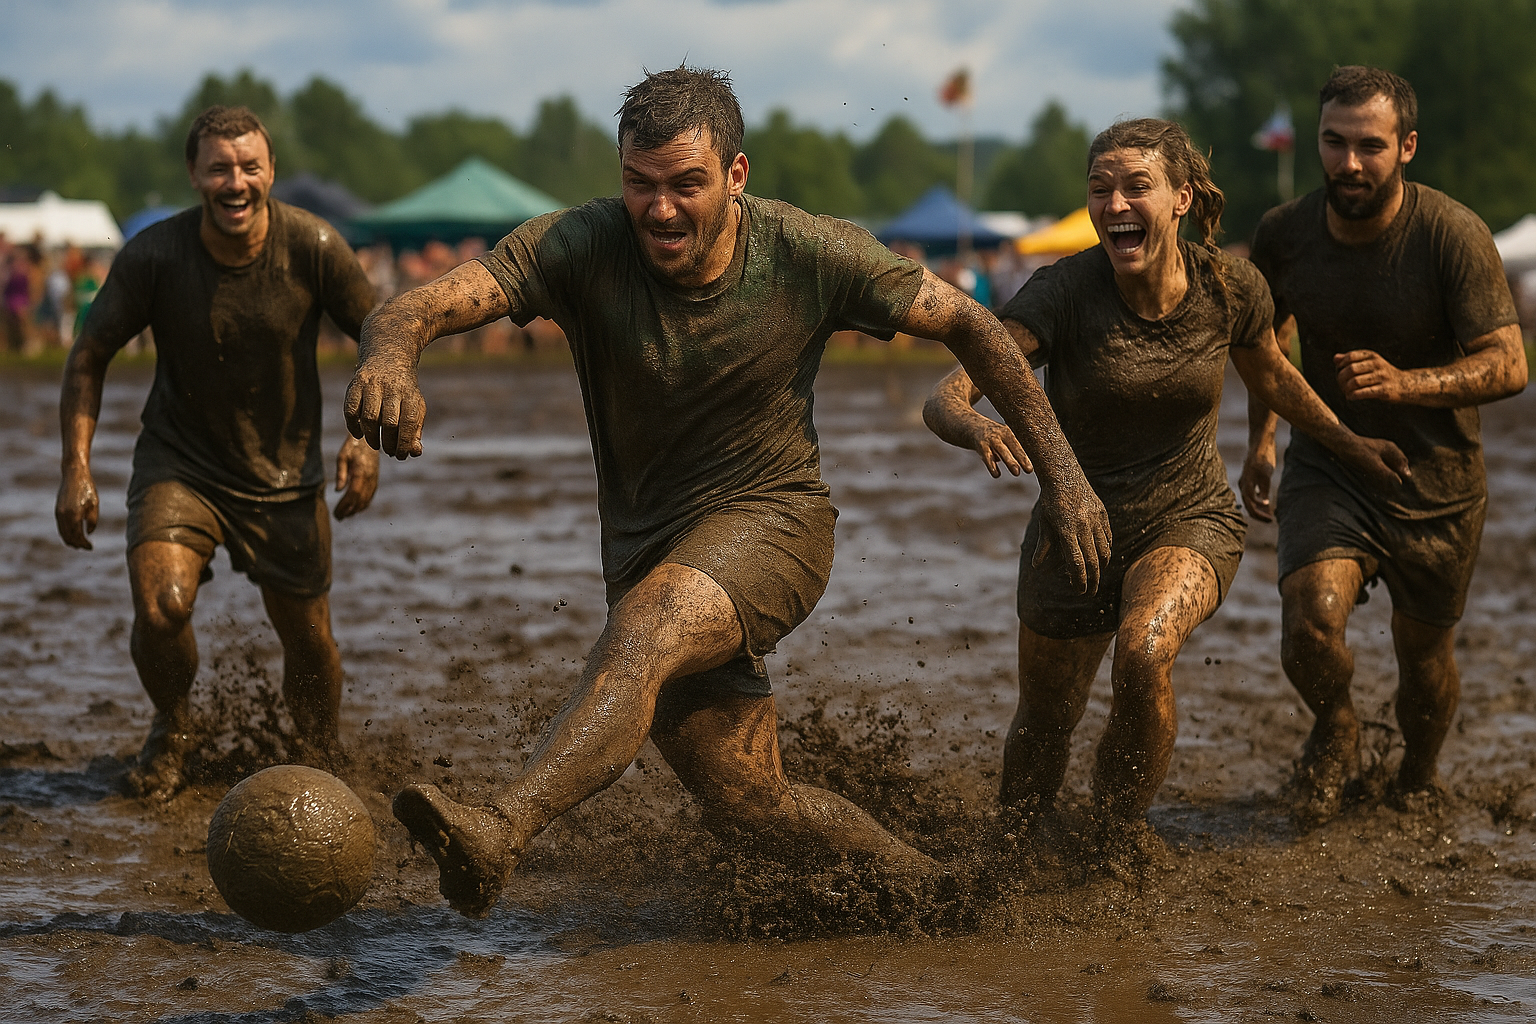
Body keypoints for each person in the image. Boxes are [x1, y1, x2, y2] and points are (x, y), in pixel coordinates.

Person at [345, 66, 1111, 917]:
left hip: (775, 523)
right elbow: (416, 306)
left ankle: (500, 829)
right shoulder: (579, 242)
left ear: (736, 175)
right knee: (752, 805)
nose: (660, 210)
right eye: (640, 183)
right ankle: (948, 899)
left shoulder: (809, 251)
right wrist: (390, 357)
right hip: (644, 549)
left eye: (687, 185)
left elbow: (969, 321)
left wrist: (1066, 478)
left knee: (647, 627)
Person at [924, 119, 1408, 855]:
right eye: (1100, 188)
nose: (1115, 204)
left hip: (1190, 517)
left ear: (1181, 197)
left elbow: (1273, 376)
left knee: (1144, 652)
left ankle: (1116, 835)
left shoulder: (1229, 287)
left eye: (1136, 187)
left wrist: (1348, 445)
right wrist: (973, 425)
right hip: (1074, 527)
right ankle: (1016, 849)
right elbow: (948, 393)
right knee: (1045, 722)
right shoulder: (1063, 291)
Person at [56, 105, 381, 801]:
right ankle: (172, 728)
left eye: (249, 167)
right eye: (219, 169)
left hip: (284, 473)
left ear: (271, 171)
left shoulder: (314, 244)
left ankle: (318, 754)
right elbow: (89, 353)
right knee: (162, 606)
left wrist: (363, 438)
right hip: (180, 464)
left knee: (309, 639)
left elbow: (381, 336)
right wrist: (76, 468)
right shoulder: (154, 256)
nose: (236, 183)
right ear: (194, 174)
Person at [1244, 67, 1527, 827]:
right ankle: (1336, 725)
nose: (1349, 163)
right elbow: (1266, 344)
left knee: (1424, 659)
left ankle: (1418, 777)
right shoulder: (1284, 234)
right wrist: (1261, 441)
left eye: (1370, 146)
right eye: (1334, 142)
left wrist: (1407, 385)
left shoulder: (1451, 233)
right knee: (1310, 620)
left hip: (1437, 482)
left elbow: (1509, 364)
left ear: (1406, 147)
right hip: (1330, 464)